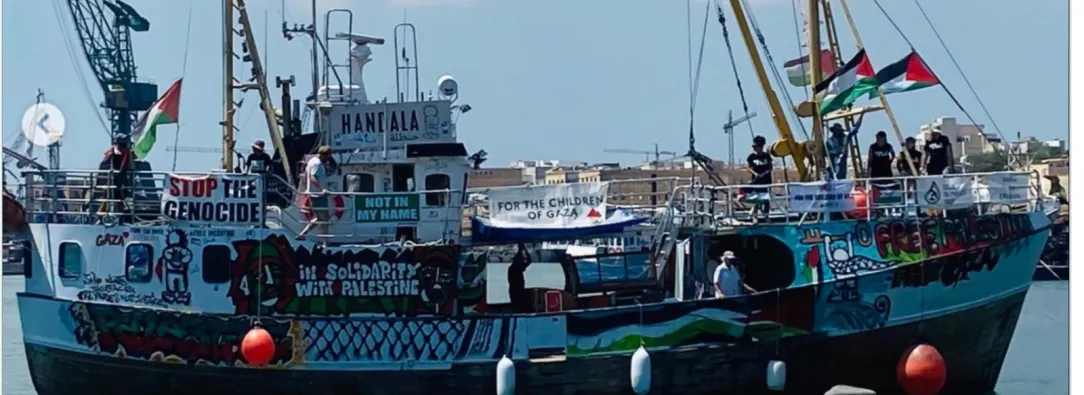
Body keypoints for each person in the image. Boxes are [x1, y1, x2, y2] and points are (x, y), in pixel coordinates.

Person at [296, 146, 333, 245]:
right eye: (328, 156)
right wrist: (322, 189)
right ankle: (326, 242)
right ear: (324, 155)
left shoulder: (312, 161)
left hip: (314, 194)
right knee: (324, 220)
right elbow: (313, 177)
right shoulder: (317, 163)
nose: (328, 158)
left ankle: (302, 234)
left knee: (319, 218)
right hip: (318, 195)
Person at [747, 136, 773, 217]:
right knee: (756, 199)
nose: (754, 148)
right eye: (753, 147)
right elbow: (749, 168)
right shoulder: (751, 157)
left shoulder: (767, 156)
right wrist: (755, 174)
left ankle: (766, 216)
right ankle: (755, 217)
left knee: (766, 200)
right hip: (756, 182)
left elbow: (770, 168)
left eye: (756, 146)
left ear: (761, 146)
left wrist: (764, 174)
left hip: (766, 182)